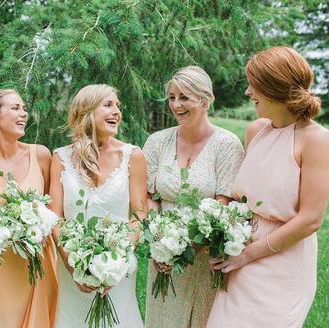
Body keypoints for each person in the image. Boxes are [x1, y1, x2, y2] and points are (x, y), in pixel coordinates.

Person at [207, 46, 329, 327]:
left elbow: (310, 220)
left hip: (281, 261)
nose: (248, 93)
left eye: (254, 85)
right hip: (240, 251)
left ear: (275, 89)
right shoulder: (256, 131)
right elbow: (241, 198)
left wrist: (248, 254)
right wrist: (220, 233)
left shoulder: (316, 140)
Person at [143, 66, 245, 328]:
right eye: (171, 97)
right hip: (163, 255)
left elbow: (224, 204)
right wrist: (160, 243)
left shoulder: (227, 144)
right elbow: (150, 197)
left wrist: (189, 248)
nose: (176, 104)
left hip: (206, 257)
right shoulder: (156, 142)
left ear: (205, 99)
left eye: (184, 97)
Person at [49, 84, 147, 328]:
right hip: (72, 266)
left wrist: (117, 261)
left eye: (118, 106)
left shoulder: (132, 155)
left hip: (118, 270)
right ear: (86, 111)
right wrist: (74, 267)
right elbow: (55, 216)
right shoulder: (60, 157)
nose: (117, 111)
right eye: (108, 105)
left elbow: (139, 214)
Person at [0, 89, 58, 328]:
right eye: (16, 108)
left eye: (24, 108)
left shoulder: (40, 155)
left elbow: (51, 209)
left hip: (38, 262)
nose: (24, 113)